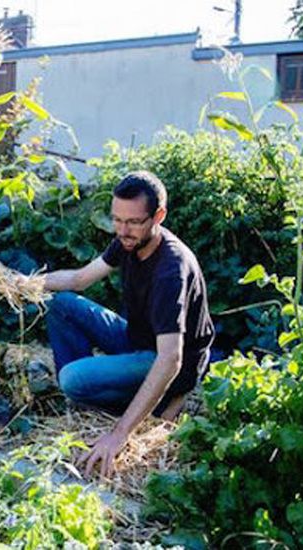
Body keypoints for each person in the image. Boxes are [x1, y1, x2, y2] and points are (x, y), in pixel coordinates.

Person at [39, 170, 214, 478]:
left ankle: (151, 405)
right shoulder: (128, 240)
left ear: (158, 215)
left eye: (133, 221)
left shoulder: (170, 271)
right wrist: (26, 283)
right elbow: (79, 280)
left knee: (71, 379)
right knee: (61, 303)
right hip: (138, 340)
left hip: (168, 360)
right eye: (117, 220)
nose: (123, 230)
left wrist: (119, 434)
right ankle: (97, 389)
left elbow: (171, 358)